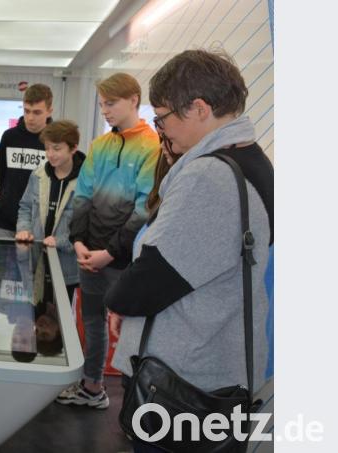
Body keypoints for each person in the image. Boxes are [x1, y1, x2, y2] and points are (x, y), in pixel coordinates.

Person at [104, 49, 272, 451]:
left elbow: (151, 281)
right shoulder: (253, 162)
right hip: (214, 370)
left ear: (198, 108)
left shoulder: (209, 177)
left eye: (162, 116)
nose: (161, 129)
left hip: (181, 382)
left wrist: (117, 301)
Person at [57, 73, 159, 409]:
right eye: (102, 103)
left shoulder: (152, 146)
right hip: (90, 254)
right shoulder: (99, 145)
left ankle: (137, 407)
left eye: (110, 103)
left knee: (132, 331)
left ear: (133, 100)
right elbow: (82, 196)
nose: (105, 110)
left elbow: (144, 209)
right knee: (91, 322)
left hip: (124, 259)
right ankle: (92, 387)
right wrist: (78, 240)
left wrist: (110, 253)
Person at [15, 120, 86, 310]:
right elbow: (25, 207)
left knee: (64, 326)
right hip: (37, 265)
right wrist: (24, 229)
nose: (50, 154)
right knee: (38, 317)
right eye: (47, 148)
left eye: (56, 149)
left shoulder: (86, 181)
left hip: (68, 269)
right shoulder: (38, 175)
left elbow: (88, 224)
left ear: (73, 148)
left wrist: (60, 240)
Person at [0, 83, 54, 238]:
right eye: (26, 111)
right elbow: (2, 178)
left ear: (49, 111)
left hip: (39, 224)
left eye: (37, 112)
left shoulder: (55, 141)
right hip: (5, 221)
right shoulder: (9, 137)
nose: (30, 118)